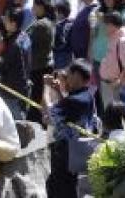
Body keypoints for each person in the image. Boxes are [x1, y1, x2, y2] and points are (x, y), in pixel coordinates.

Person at [42, 59, 96, 198]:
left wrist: (46, 88)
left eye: (69, 74)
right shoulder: (87, 96)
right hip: (75, 153)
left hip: (64, 153)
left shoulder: (75, 100)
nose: (67, 77)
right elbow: (66, 112)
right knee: (68, 185)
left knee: (58, 187)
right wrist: (58, 90)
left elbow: (48, 115)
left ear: (77, 76)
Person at [0, 8, 32, 120]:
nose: (4, 20)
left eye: (6, 19)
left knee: (13, 122)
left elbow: (2, 68)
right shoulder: (25, 36)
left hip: (11, 90)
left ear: (13, 23)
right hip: (23, 88)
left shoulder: (14, 45)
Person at [98, 11, 125, 108]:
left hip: (116, 88)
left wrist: (119, 81)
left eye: (105, 25)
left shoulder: (123, 41)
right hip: (108, 85)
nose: (103, 28)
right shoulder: (113, 38)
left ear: (111, 25)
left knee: (116, 119)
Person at [27, 0, 54, 123]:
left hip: (39, 66)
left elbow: (26, 40)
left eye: (35, 6)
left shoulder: (41, 25)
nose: (33, 9)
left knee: (37, 96)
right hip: (43, 64)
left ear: (41, 7)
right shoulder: (46, 22)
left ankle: (37, 121)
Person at [53, 0, 74, 70]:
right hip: (68, 55)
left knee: (58, 74)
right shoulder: (71, 23)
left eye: (56, 11)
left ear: (61, 13)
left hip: (60, 54)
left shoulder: (59, 25)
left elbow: (62, 40)